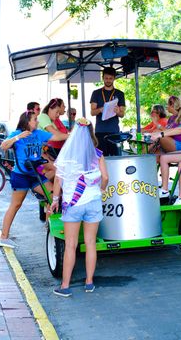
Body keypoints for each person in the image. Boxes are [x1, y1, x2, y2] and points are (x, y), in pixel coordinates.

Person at [51, 118, 109, 297]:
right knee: (91, 243)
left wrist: (54, 200)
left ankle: (65, 286)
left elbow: (58, 179)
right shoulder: (98, 154)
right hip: (93, 203)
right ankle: (89, 282)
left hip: (73, 204)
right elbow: (105, 178)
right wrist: (100, 190)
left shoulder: (66, 154)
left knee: (70, 245)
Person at [0, 110, 69, 248]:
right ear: (27, 121)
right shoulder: (17, 133)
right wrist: (18, 138)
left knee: (54, 196)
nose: (37, 121)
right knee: (16, 205)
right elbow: (3, 145)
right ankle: (4, 237)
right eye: (35, 119)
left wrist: (72, 134)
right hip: (21, 175)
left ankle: (51, 229)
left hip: (36, 174)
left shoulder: (38, 134)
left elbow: (57, 137)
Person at [90, 67, 125, 156]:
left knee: (115, 159)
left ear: (114, 78)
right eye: (106, 78)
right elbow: (92, 112)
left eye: (110, 78)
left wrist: (117, 111)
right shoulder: (96, 93)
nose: (108, 80)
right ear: (103, 78)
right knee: (101, 159)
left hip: (114, 132)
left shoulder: (120, 94)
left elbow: (122, 114)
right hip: (100, 132)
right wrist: (100, 109)